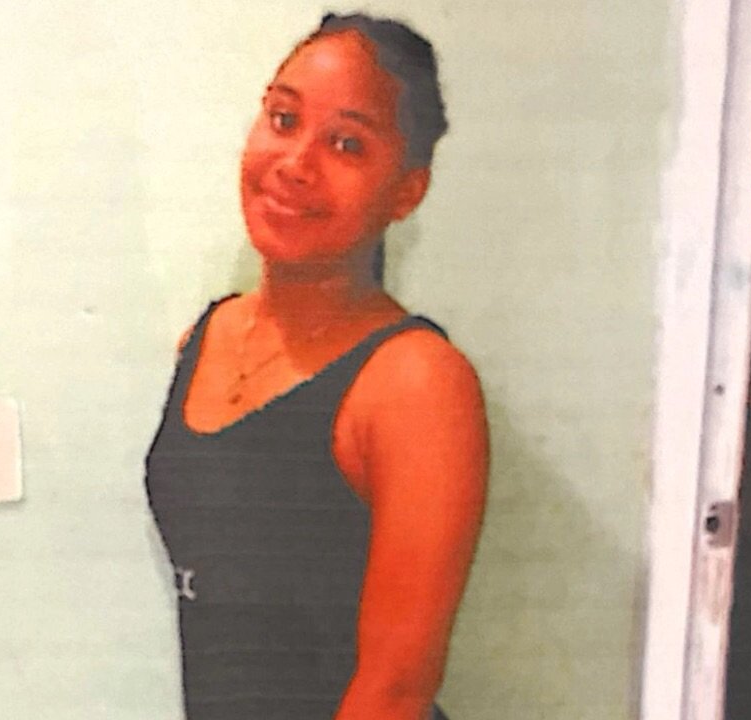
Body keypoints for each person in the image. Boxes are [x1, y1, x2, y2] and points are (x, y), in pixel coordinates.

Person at [145, 13, 489, 720]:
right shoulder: (202, 340)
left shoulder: (416, 383)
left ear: (407, 190)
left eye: (347, 144)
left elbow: (394, 693)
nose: (296, 163)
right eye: (283, 119)